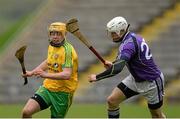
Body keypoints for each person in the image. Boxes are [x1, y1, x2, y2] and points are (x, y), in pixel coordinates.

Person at [88, 16, 166, 118]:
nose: (111, 36)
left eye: (113, 33)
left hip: (151, 82)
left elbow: (117, 69)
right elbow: (123, 62)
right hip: (135, 78)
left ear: (121, 31)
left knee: (157, 116)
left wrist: (97, 77)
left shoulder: (128, 45)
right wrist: (113, 64)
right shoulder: (132, 38)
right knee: (112, 101)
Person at [21, 22, 78, 118]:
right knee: (26, 112)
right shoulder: (52, 45)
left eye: (58, 34)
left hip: (63, 93)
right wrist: (32, 72)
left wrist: (45, 75)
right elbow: (49, 61)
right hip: (47, 88)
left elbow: (66, 74)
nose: (55, 37)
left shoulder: (68, 51)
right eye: (53, 33)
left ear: (64, 34)